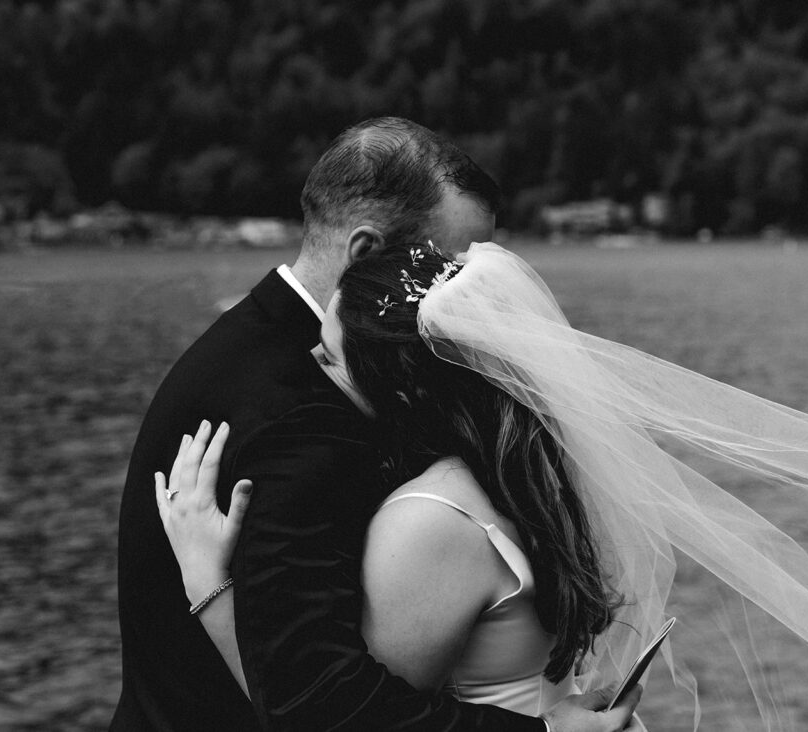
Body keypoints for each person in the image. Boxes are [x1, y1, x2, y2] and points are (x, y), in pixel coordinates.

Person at [159, 241, 808, 731]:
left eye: (330, 354)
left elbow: (327, 722)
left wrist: (207, 585)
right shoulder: (536, 469)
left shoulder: (430, 519)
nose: (315, 366)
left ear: (398, 393)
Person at [113, 117, 637, 731]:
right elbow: (320, 702)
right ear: (366, 253)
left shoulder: (260, 348)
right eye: (448, 263)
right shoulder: (301, 414)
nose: (467, 292)